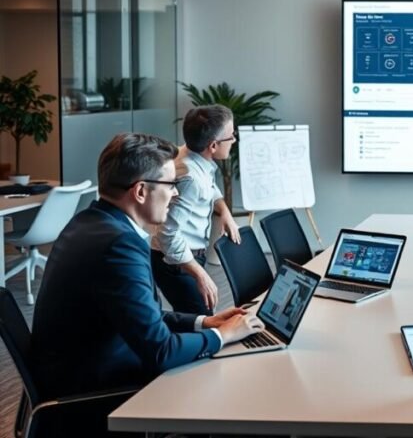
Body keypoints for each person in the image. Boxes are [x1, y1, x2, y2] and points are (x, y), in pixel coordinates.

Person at [31, 133, 261, 435]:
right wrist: (223, 335)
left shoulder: (89, 221)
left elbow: (140, 315)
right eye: (171, 184)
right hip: (94, 393)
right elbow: (161, 352)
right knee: (230, 384)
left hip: (81, 368)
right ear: (140, 191)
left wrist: (205, 323)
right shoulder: (119, 245)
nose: (175, 194)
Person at [152, 104, 241, 315]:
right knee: (201, 322)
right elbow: (167, 234)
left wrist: (225, 211)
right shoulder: (190, 178)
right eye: (231, 136)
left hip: (182, 257)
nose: (234, 140)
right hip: (177, 261)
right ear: (213, 146)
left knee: (196, 319)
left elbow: (209, 188)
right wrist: (199, 273)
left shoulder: (190, 154)